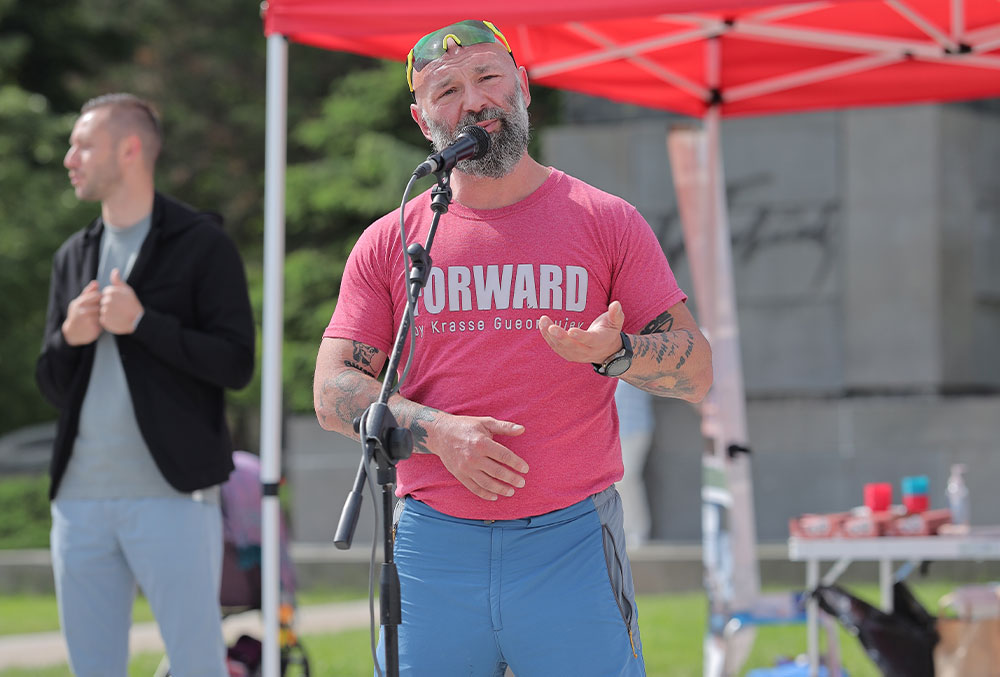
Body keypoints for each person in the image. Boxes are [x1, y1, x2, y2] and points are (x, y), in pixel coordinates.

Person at [313, 19, 713, 677]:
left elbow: (697, 373)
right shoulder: (392, 241)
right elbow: (334, 393)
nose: (473, 101)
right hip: (432, 547)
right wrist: (439, 431)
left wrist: (616, 353)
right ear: (423, 120)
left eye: (488, 77)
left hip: (572, 542)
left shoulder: (604, 220)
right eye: (447, 90)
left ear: (521, 87)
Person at [36, 93, 255, 677]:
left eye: (82, 144)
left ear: (130, 149)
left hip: (174, 495)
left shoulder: (203, 244)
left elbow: (236, 364)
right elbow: (53, 384)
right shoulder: (71, 255)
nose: (69, 157)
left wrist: (143, 326)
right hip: (78, 500)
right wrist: (70, 337)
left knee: (195, 665)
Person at [615, 379, 656, 546]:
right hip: (612, 432)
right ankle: (623, 531)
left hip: (635, 429)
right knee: (618, 483)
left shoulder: (637, 358)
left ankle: (638, 532)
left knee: (628, 479)